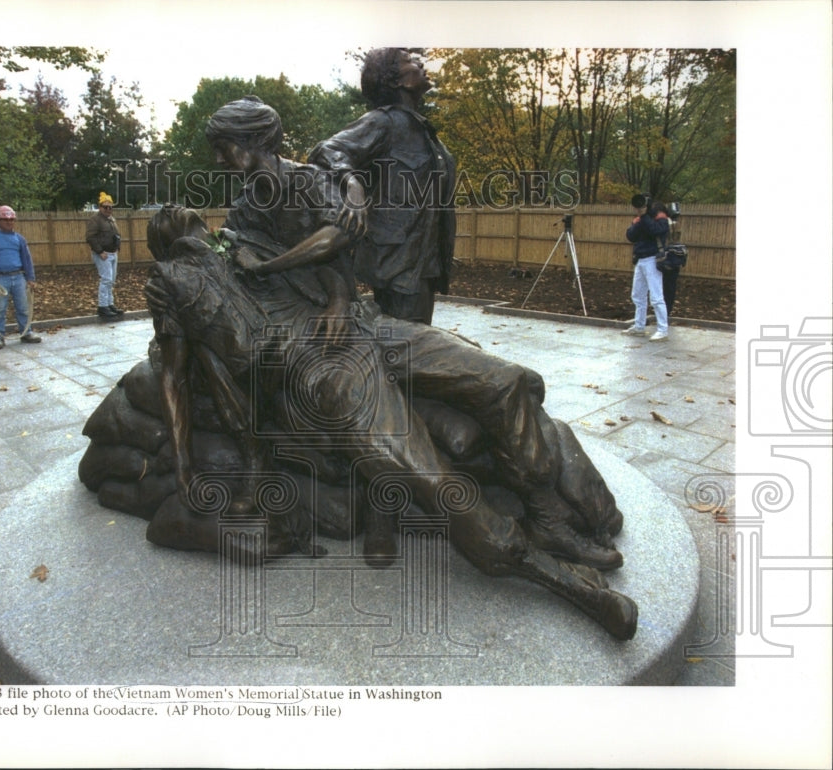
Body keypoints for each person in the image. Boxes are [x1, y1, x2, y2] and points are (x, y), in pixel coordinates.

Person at [140, 97, 637, 640]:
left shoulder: (305, 183)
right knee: (424, 471)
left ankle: (549, 517)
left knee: (504, 380)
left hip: (364, 321)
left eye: (223, 148)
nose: (218, 161)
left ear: (254, 140)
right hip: (324, 355)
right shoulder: (231, 229)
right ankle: (565, 582)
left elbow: (338, 241)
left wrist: (329, 293)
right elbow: (207, 356)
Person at [308, 48, 456, 325]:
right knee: (407, 351)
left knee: (412, 349)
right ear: (395, 81)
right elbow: (326, 150)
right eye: (409, 61)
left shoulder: (424, 133)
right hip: (398, 265)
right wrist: (352, 183)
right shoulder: (384, 122)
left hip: (422, 263)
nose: (420, 62)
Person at [0, 205, 41, 349]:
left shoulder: (19, 239)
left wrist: (31, 278)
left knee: (23, 307)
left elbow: (27, 259)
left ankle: (26, 333)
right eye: (5, 220)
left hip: (18, 277)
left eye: (11, 220)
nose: (9, 222)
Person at [622, 194, 670, 341]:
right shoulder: (641, 219)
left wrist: (645, 217)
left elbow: (657, 231)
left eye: (642, 205)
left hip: (652, 259)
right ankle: (639, 326)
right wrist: (640, 219)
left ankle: (663, 330)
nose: (639, 208)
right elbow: (630, 235)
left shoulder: (659, 217)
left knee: (656, 297)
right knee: (637, 295)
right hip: (640, 260)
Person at [86, 192, 123, 318]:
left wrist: (117, 248)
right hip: (103, 254)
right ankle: (102, 306)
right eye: (105, 207)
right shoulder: (95, 220)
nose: (108, 209)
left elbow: (115, 235)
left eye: (110, 207)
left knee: (111, 281)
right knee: (106, 279)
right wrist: (100, 251)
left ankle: (110, 304)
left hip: (112, 253)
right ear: (100, 207)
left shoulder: (111, 219)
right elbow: (90, 237)